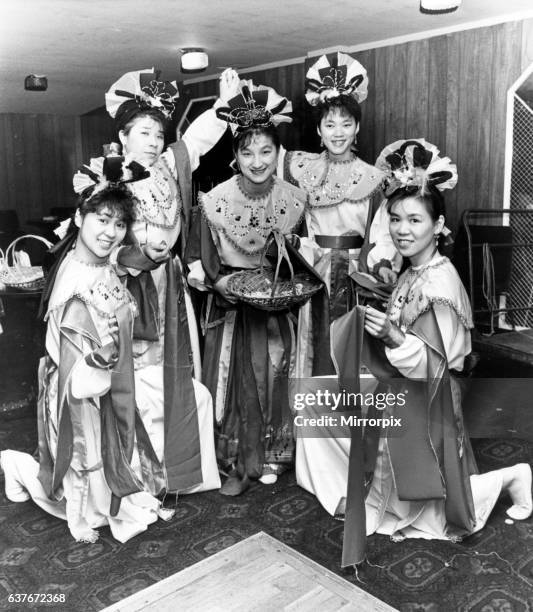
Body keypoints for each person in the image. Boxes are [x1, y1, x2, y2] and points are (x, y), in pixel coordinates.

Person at [72, 68, 241, 499]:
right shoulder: (108, 176)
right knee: (137, 377)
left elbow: (198, 140)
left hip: (169, 285)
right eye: (144, 132)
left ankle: (176, 467)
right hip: (127, 288)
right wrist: (134, 258)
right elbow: (97, 242)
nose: (153, 140)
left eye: (158, 132)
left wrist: (226, 104)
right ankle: (138, 471)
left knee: (175, 374)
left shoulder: (169, 166)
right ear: (123, 136)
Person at [0, 180, 165, 543]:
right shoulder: (74, 286)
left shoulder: (96, 260)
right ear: (79, 217)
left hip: (104, 378)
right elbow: (80, 368)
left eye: (119, 224)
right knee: (81, 474)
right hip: (78, 386)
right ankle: (15, 465)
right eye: (102, 220)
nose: (111, 233)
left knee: (110, 468)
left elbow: (123, 266)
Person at [186, 79, 326, 496]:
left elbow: (309, 255)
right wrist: (221, 281)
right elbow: (197, 260)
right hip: (233, 311)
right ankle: (236, 454)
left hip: (281, 308)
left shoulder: (296, 198)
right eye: (247, 152)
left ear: (278, 152)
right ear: (235, 154)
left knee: (279, 372)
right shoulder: (213, 200)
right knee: (237, 377)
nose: (257, 160)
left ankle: (275, 453)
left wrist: (296, 252)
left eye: (266, 151)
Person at [279, 52, 400, 327]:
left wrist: (382, 264)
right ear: (319, 131)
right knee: (313, 341)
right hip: (313, 268)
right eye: (330, 124)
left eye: (346, 124)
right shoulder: (299, 167)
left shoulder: (373, 177)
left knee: (352, 345)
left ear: (357, 128)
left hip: (359, 274)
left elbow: (383, 230)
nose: (338, 132)